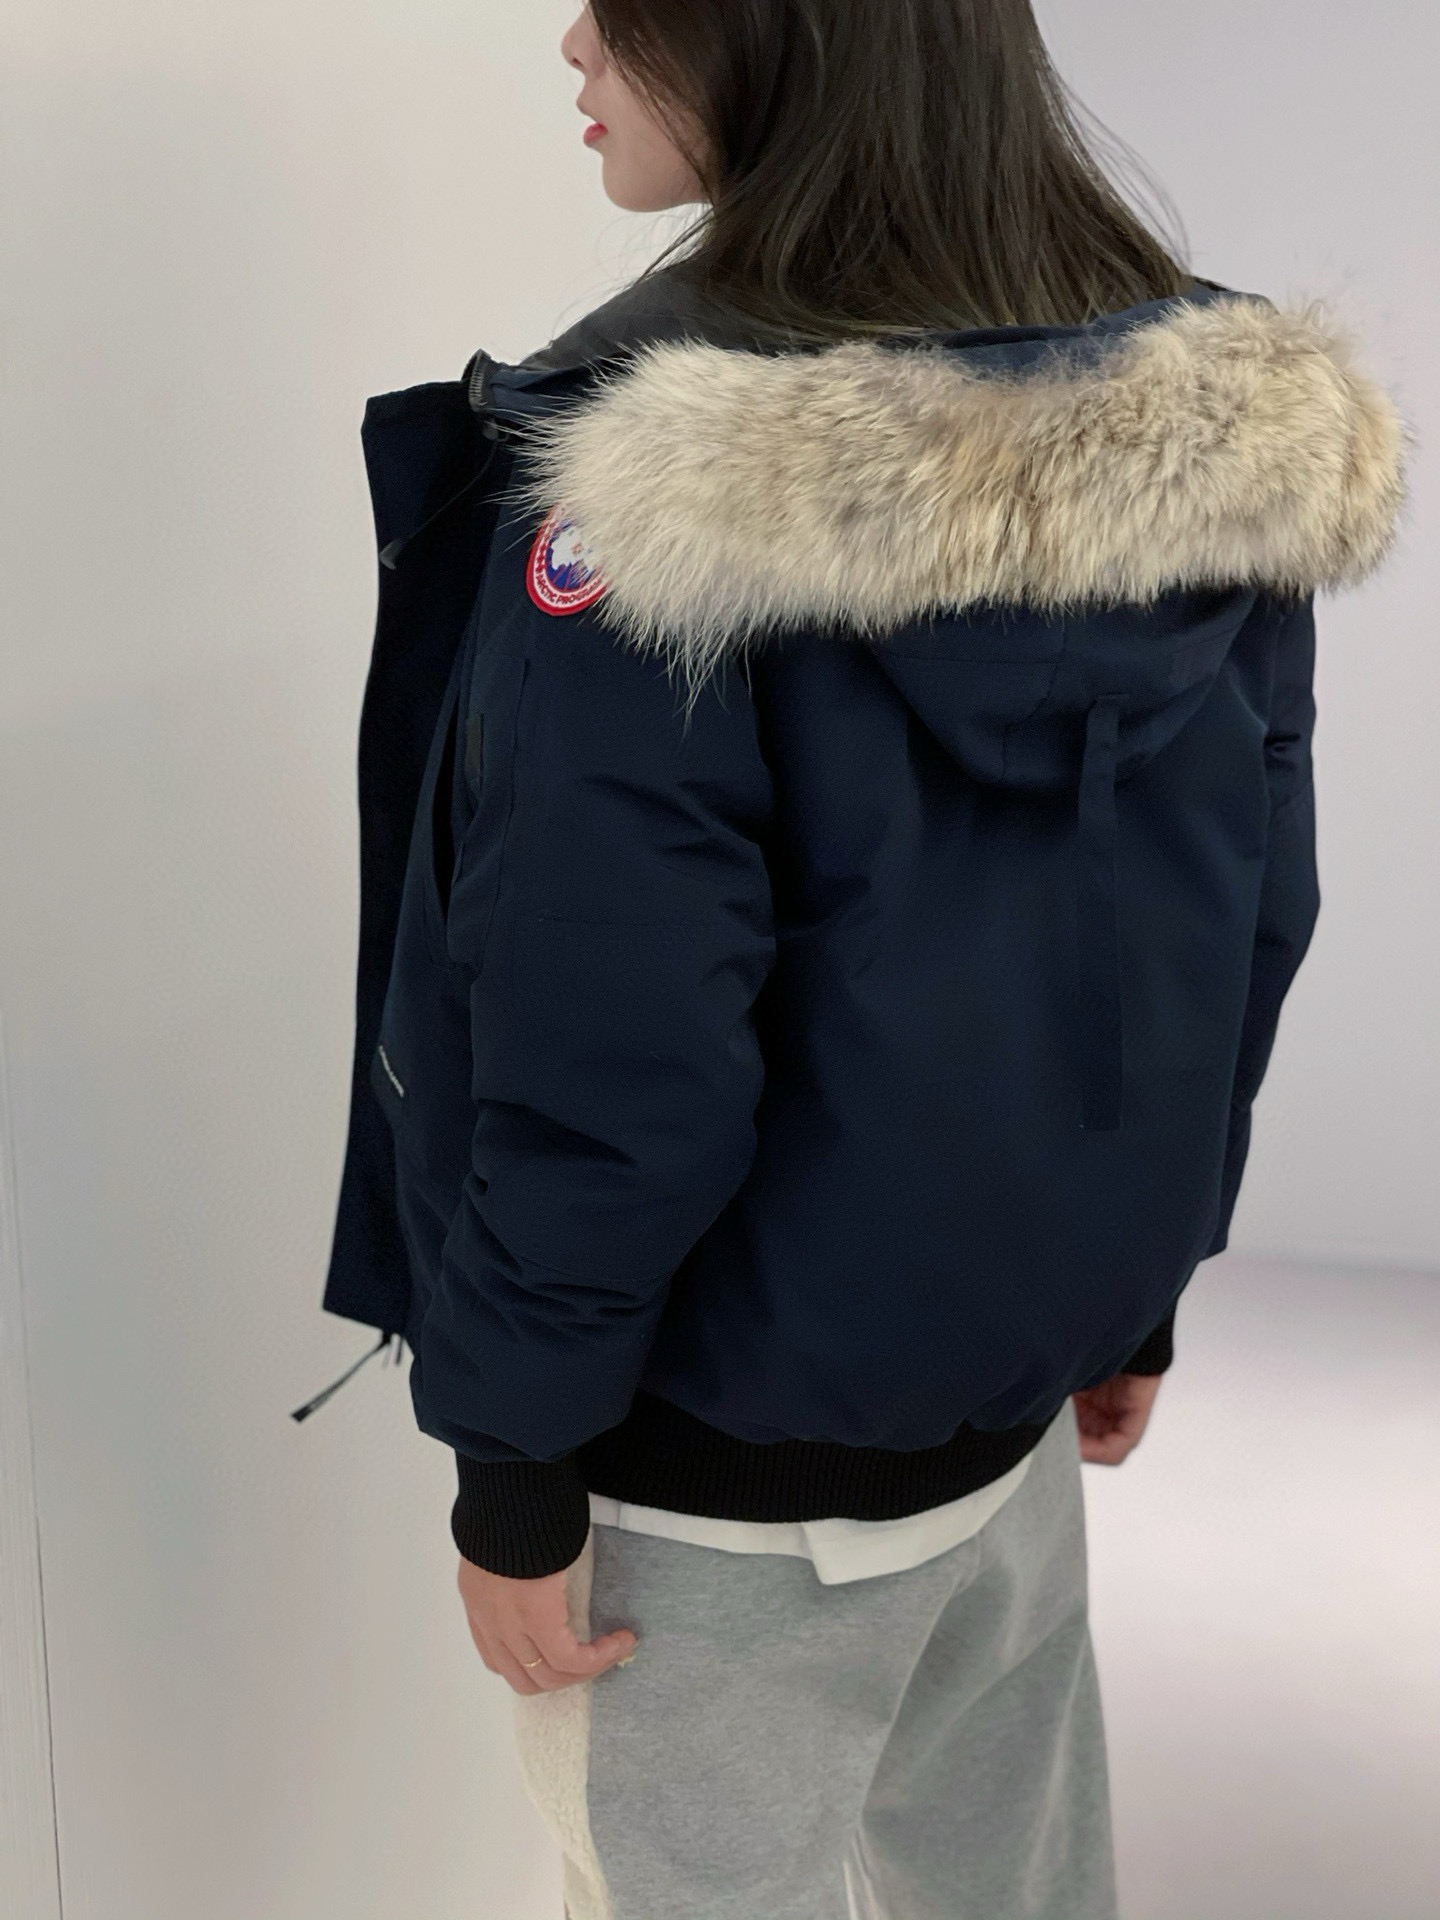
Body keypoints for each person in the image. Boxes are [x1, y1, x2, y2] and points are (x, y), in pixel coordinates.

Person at [314, 3, 1409, 1914]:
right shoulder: (1197, 439)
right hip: (1006, 1428)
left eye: (625, 2)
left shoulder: (644, 503)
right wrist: (1127, 1294)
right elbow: (1234, 919)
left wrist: (518, 1454)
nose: (574, 40)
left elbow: (609, 1041)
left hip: (711, 1489)